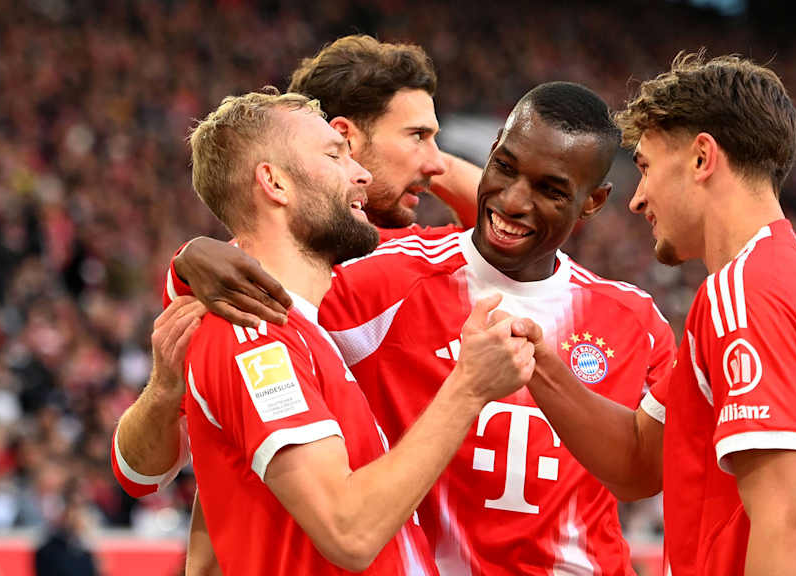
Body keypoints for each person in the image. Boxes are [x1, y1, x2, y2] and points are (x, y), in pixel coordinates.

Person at [146, 82, 677, 574]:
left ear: (593, 201)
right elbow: (257, 280)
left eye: (551, 190)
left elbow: (645, 472)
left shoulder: (637, 320)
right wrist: (189, 261)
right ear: (491, 151)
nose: (514, 201)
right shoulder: (384, 274)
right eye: (505, 167)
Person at [512, 51, 796, 576]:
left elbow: (785, 522)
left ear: (702, 159)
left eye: (645, 167)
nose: (637, 199)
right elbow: (639, 460)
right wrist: (534, 360)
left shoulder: (744, 292)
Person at [172, 89, 535, 575]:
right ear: (275, 183)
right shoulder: (253, 334)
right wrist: (468, 387)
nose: (361, 174)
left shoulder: (304, 330)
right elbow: (348, 532)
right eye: (334, 156)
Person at [110, 34, 484, 497]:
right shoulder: (245, 280)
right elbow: (139, 473)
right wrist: (163, 387)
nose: (437, 164)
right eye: (418, 137)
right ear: (345, 138)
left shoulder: (231, 270)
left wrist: (189, 258)